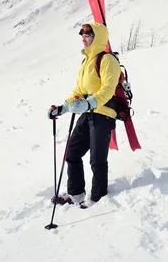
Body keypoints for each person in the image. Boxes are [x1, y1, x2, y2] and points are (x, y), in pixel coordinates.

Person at [47, 22, 121, 207]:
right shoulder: (87, 61)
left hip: (103, 114)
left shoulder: (107, 60)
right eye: (82, 36)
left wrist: (88, 103)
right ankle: (76, 194)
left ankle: (98, 197)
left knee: (97, 159)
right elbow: (78, 91)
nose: (84, 38)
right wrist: (62, 108)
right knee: (72, 153)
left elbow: (108, 89)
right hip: (87, 114)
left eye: (88, 35)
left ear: (98, 38)